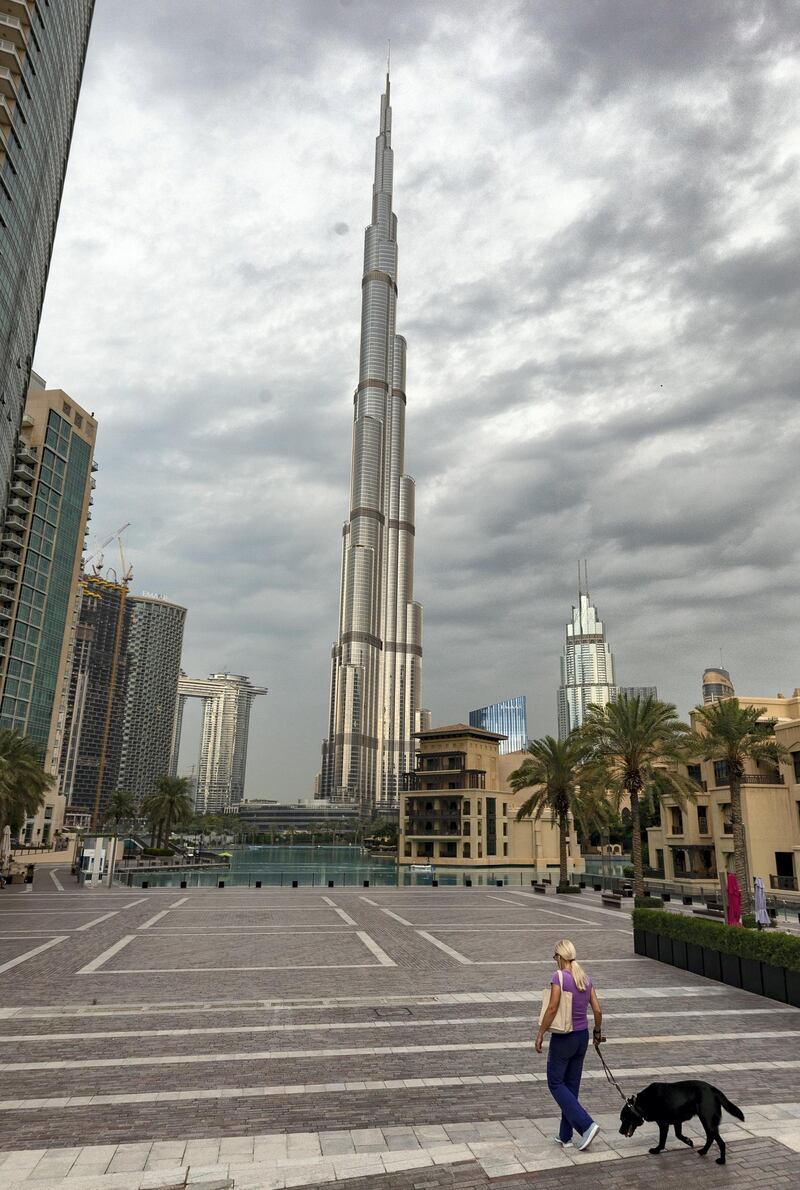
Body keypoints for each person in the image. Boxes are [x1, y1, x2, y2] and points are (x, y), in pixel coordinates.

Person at [535, 937, 603, 1151]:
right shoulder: (585, 978)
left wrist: (540, 1033)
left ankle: (586, 1125)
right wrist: (597, 1032)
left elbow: (553, 1007)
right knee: (571, 1086)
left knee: (555, 1083)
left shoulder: (559, 977)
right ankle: (565, 1136)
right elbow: (598, 1010)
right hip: (582, 1037)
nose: (554, 960)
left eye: (555, 956)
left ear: (560, 956)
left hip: (564, 1038)